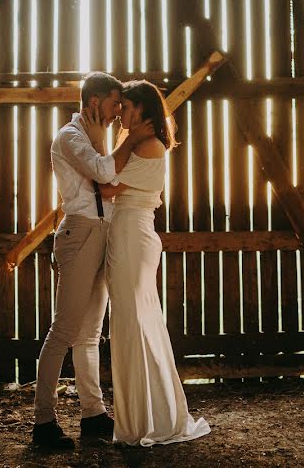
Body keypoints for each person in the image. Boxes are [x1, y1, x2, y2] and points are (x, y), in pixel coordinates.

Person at [32, 72, 153, 450]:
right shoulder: (70, 137)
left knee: (88, 335)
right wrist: (130, 138)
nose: (120, 111)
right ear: (94, 101)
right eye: (115, 103)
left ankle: (93, 414)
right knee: (64, 330)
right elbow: (103, 173)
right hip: (80, 232)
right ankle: (43, 422)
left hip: (103, 231)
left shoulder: (96, 135)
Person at [98, 80, 211, 446]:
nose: (120, 114)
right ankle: (148, 414)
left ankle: (143, 423)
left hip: (132, 235)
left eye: (127, 107)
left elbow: (106, 187)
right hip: (131, 233)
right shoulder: (137, 143)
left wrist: (127, 142)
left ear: (143, 110)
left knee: (132, 324)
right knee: (137, 324)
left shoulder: (148, 145)